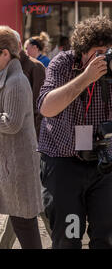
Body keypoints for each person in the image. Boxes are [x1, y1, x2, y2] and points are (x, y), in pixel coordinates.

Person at [37, 15, 112, 249]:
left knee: (107, 237)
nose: (106, 57)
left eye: (109, 50)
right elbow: (46, 108)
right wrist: (85, 78)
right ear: (84, 51)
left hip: (101, 162)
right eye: (99, 51)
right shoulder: (63, 64)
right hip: (63, 162)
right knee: (68, 239)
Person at [0, 26, 43, 249]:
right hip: (12, 165)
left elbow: (12, 123)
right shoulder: (9, 76)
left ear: (5, 53)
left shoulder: (16, 81)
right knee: (22, 222)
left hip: (18, 166)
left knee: (25, 224)